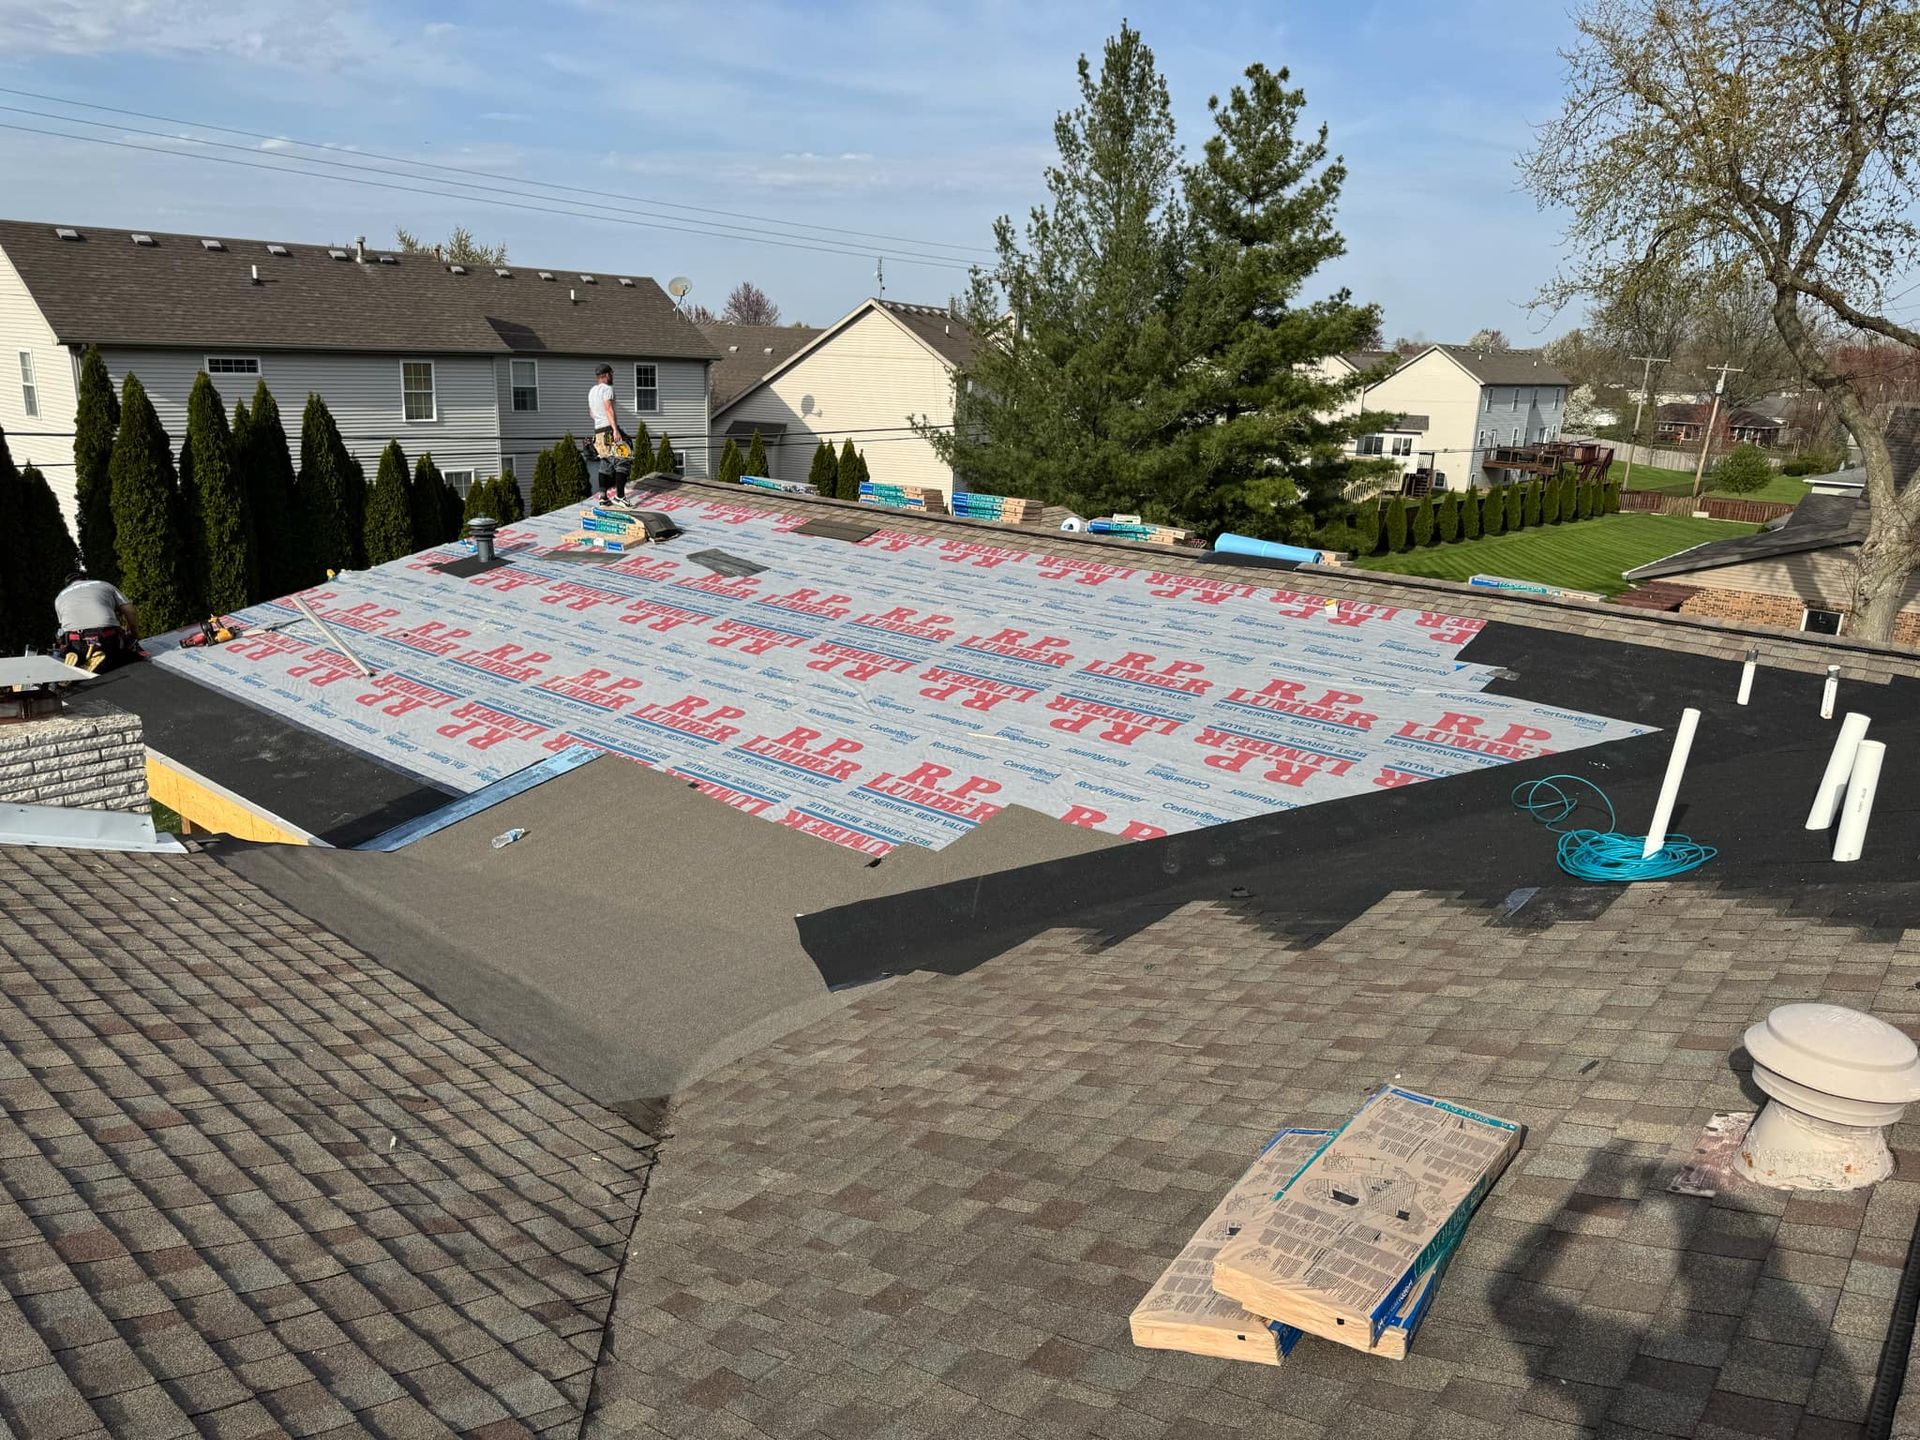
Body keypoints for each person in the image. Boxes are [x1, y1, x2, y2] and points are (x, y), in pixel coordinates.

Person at [52, 570, 143, 672]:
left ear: (68, 585)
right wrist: (134, 634)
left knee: (69, 643)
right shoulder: (103, 584)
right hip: (107, 637)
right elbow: (130, 611)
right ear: (85, 579)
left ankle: (77, 658)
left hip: (76, 641)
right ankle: (100, 657)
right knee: (123, 655)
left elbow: (64, 627)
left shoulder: (60, 597)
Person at [587, 363, 632, 504]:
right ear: (606, 375)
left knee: (605, 462)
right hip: (608, 430)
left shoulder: (592, 391)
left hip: (598, 432)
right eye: (612, 374)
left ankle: (603, 496)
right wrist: (615, 430)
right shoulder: (608, 389)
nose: (613, 377)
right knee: (624, 458)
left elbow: (592, 413)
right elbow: (608, 409)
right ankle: (620, 497)